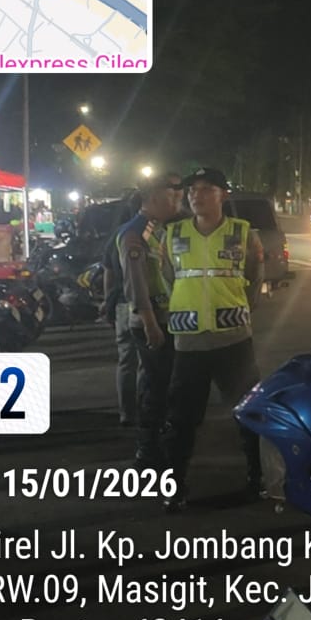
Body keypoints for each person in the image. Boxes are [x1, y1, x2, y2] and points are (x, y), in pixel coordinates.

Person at [160, 167, 268, 511]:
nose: (197, 195)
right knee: (181, 420)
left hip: (233, 341)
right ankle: (174, 487)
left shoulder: (243, 233)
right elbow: (168, 280)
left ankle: (258, 480)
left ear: (223, 195)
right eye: (193, 190)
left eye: (207, 189)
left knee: (249, 414)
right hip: (189, 343)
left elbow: (254, 281)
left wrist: (234, 311)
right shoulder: (172, 234)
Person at [115, 173, 183, 468]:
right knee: (154, 386)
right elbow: (136, 283)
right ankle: (147, 449)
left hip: (165, 318)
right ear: (154, 197)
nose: (179, 202)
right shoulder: (135, 233)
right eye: (174, 196)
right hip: (151, 320)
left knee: (165, 383)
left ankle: (159, 441)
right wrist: (150, 323)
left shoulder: (158, 229)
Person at [102, 194, 143, 426]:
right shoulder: (146, 234)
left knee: (127, 360)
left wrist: (108, 303)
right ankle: (145, 410)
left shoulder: (117, 235)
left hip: (121, 305)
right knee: (147, 362)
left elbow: (108, 273)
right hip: (141, 305)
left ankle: (127, 412)